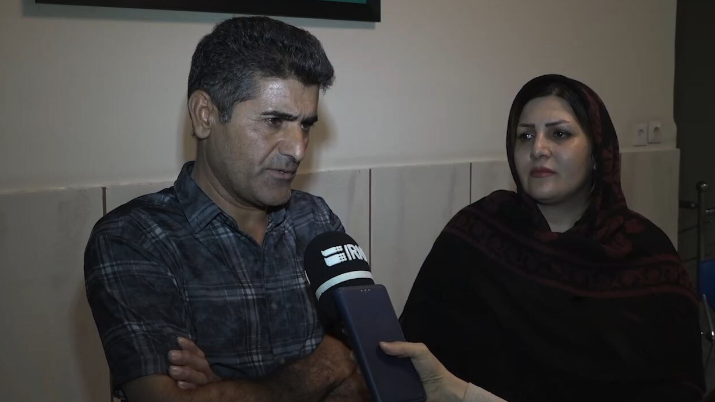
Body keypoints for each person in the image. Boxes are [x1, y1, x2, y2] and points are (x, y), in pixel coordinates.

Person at [84, 16, 368, 402]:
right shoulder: (134, 238)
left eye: (305, 125)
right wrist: (326, 365)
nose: (298, 148)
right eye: (274, 121)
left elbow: (369, 372)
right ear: (205, 115)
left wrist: (225, 388)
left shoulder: (316, 220)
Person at [398, 74, 705, 402]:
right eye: (525, 136)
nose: (538, 149)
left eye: (559, 134)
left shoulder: (646, 253)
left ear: (597, 152)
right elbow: (413, 360)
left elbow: (677, 383)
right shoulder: (476, 234)